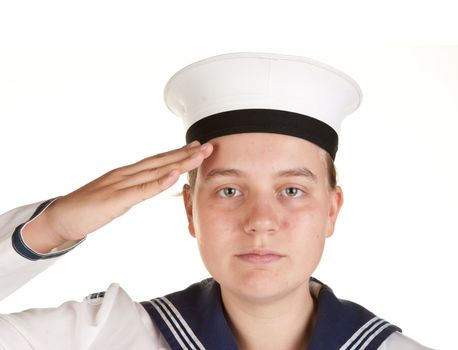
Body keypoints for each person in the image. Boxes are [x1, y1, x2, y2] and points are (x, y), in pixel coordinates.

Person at [0, 53, 432, 349]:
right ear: (190, 210)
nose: (260, 221)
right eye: (229, 190)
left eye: (292, 191)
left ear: (331, 210)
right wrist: (51, 229)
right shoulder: (106, 336)